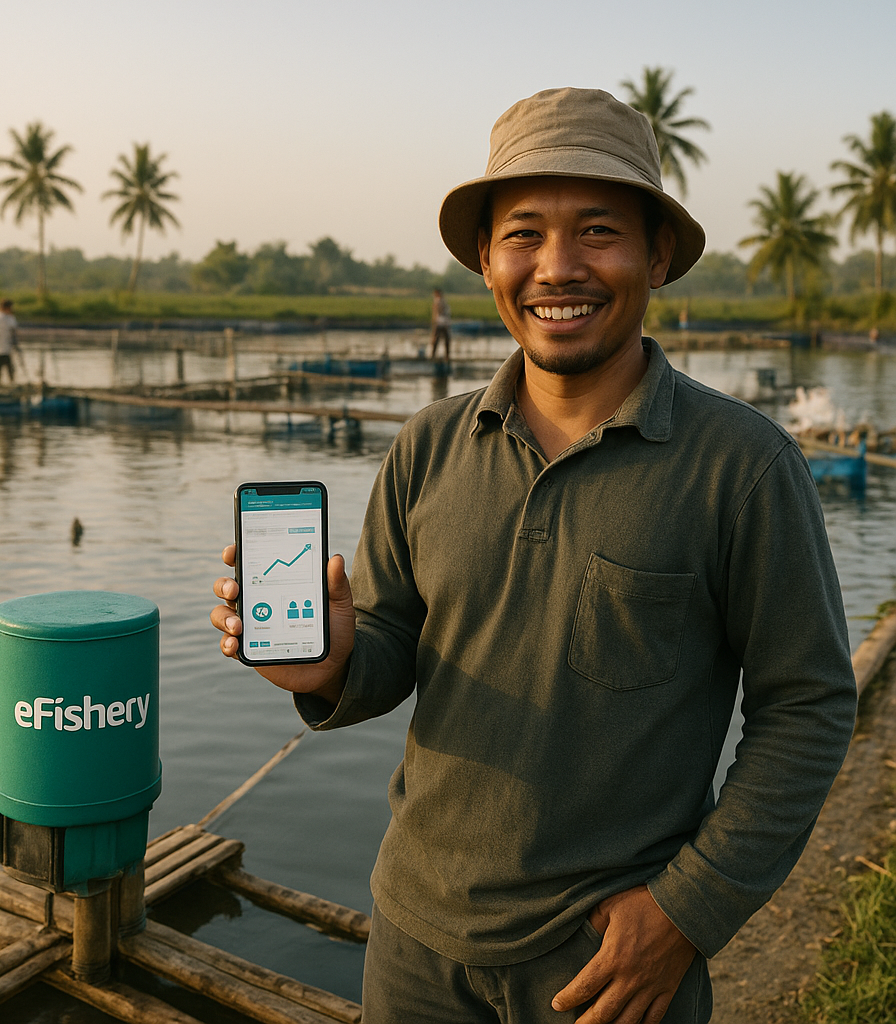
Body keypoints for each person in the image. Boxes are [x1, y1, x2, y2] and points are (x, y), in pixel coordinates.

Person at [210, 87, 858, 1024]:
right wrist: (335, 658)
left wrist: (687, 912)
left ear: (658, 254)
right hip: (415, 945)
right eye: (523, 235)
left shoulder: (743, 467)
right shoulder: (429, 446)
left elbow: (808, 705)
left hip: (611, 963)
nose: (557, 268)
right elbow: (396, 643)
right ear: (485, 261)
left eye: (598, 231)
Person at [430, 286, 452, 361]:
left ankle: (434, 355)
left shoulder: (438, 301)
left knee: (437, 339)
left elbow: (437, 312)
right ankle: (446, 356)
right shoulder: (442, 301)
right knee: (444, 339)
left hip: (441, 322)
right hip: (442, 322)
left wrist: (434, 321)